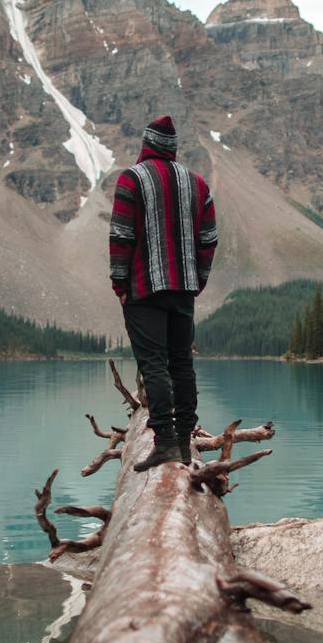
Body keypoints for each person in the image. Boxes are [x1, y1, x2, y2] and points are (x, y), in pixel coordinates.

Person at [108, 115, 218, 469]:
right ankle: (185, 441)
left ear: (146, 145)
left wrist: (120, 284)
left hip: (145, 288)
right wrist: (197, 281)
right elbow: (208, 239)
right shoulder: (197, 184)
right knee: (182, 362)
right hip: (183, 288)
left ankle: (166, 442)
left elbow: (121, 236)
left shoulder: (132, 178)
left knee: (153, 363)